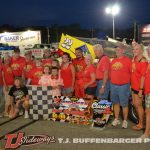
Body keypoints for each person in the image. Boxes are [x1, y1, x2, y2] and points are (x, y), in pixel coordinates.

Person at [110, 44, 132, 128]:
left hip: (124, 86)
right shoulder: (113, 61)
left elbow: (131, 73)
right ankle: (116, 119)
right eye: (116, 49)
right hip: (113, 85)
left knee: (124, 104)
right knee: (116, 103)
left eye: (119, 49)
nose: (117, 51)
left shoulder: (128, 60)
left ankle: (125, 121)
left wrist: (131, 85)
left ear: (123, 50)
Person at [131, 44, 148, 131]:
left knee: (139, 105)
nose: (135, 50)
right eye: (134, 49)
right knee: (135, 104)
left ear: (141, 50)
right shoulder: (134, 58)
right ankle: (140, 122)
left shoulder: (143, 61)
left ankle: (141, 124)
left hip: (139, 87)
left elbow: (143, 76)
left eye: (137, 49)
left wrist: (141, 90)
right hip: (134, 86)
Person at [140, 44, 150, 139]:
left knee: (148, 112)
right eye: (148, 50)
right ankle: (147, 132)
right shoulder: (147, 62)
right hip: (147, 91)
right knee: (148, 112)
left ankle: (146, 133)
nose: (148, 51)